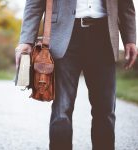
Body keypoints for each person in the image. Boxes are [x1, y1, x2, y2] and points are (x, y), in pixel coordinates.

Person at [15, 0, 137, 149]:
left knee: (105, 110)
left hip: (104, 35)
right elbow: (34, 3)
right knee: (61, 110)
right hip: (64, 35)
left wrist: (130, 38)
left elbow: (126, 4)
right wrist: (26, 40)